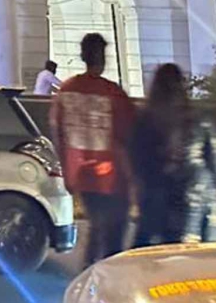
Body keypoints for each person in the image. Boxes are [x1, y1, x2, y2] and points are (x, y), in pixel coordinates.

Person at [132, 63, 216, 246]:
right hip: (201, 191)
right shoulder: (200, 119)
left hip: (161, 198)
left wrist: (138, 197)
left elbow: (138, 165)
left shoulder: (145, 121)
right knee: (205, 257)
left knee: (160, 256)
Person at [50, 32, 135, 265]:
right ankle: (102, 275)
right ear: (102, 57)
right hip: (112, 176)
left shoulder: (67, 90)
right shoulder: (112, 93)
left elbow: (58, 133)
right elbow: (129, 134)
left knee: (97, 228)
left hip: (82, 175)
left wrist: (67, 171)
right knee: (112, 233)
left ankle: (89, 271)